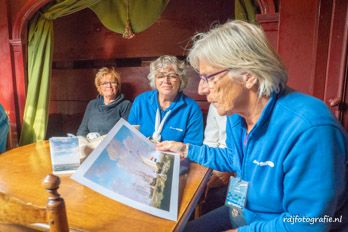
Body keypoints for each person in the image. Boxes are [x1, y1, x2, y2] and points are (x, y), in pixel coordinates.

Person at [157, 20, 347, 232]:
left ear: (248, 75)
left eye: (208, 78)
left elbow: (308, 223)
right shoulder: (236, 115)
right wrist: (185, 149)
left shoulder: (311, 129)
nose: (202, 89)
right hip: (243, 212)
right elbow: (234, 158)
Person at [128, 55, 203, 145]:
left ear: (181, 79)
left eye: (172, 76)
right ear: (154, 80)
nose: (166, 80)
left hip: (174, 158)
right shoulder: (140, 101)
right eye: (160, 76)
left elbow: (192, 148)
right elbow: (130, 136)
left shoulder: (192, 109)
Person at [77, 67, 131, 137]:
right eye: (105, 83)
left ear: (117, 86)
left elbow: (125, 133)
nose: (109, 86)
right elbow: (82, 130)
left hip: (112, 146)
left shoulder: (125, 105)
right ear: (99, 87)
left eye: (113, 82)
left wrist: (100, 137)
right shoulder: (92, 104)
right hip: (91, 144)